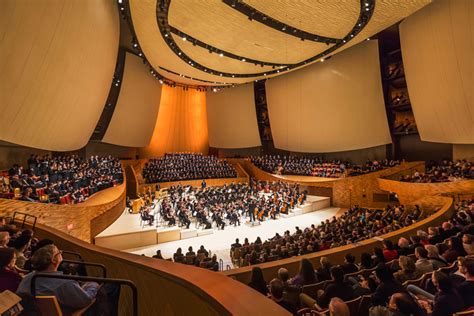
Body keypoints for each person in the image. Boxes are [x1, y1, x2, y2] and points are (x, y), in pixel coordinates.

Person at [17, 245, 101, 312]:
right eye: (58, 252)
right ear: (53, 260)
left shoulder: (27, 278)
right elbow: (85, 300)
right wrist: (93, 285)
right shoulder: (64, 283)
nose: (61, 253)